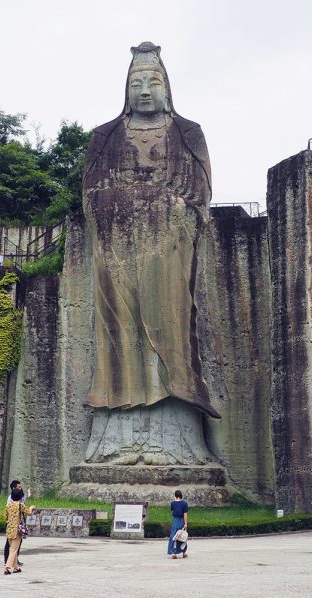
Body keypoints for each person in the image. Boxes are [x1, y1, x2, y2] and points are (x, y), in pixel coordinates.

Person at [83, 41, 220, 467]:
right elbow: (90, 194)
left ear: (167, 87)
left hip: (168, 249)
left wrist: (164, 206)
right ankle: (115, 439)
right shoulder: (104, 136)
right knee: (118, 335)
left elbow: (199, 196)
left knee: (172, 328)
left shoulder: (188, 133)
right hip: (117, 248)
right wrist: (126, 202)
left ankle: (177, 439)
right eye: (136, 83)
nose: (144, 91)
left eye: (153, 82)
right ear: (126, 89)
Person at [4, 488, 35, 575]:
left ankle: (16, 568)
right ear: (20, 497)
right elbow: (29, 513)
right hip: (17, 530)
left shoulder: (8, 506)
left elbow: (5, 517)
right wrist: (31, 508)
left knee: (12, 549)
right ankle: (7, 567)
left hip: (9, 529)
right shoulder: (21, 505)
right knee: (13, 550)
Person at [167, 489, 188, 559]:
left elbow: (172, 511)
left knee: (173, 536)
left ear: (175, 496)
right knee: (182, 536)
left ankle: (173, 553)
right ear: (181, 495)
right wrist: (185, 523)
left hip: (175, 521)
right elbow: (185, 514)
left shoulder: (173, 503)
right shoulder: (184, 503)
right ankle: (183, 552)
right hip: (181, 520)